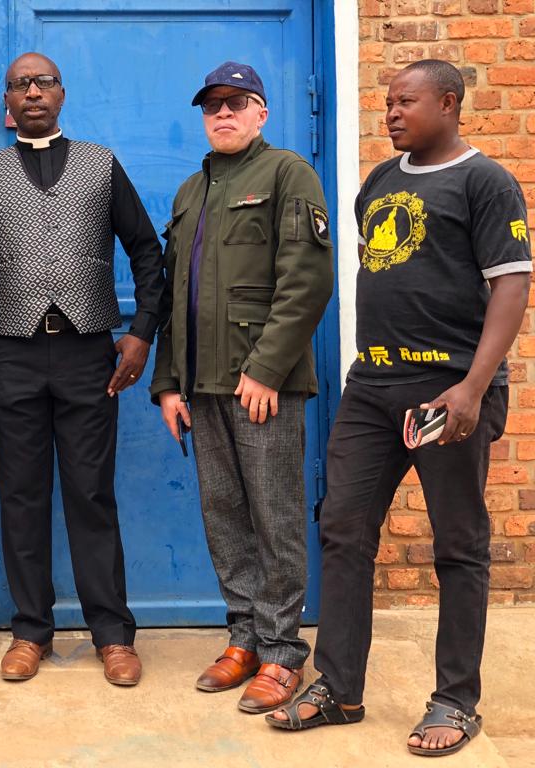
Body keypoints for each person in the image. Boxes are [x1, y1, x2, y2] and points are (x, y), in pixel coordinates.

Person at [267, 60, 530, 758]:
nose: (390, 113)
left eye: (405, 102)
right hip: (371, 388)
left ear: (449, 103)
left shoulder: (486, 182)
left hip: (447, 390)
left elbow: (510, 289)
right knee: (344, 528)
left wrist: (473, 387)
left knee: (458, 545)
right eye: (386, 103)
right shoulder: (379, 185)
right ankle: (338, 687)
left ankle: (455, 699)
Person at [0, 52, 165, 686]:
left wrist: (141, 336)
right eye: (20, 85)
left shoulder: (100, 166)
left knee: (91, 494)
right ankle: (30, 630)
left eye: (43, 83)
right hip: (13, 355)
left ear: (62, 94)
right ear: (8, 104)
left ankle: (113, 635)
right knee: (21, 496)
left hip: (86, 353)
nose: (33, 92)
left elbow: (148, 252)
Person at [150, 61, 333, 713]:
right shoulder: (189, 192)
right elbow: (176, 297)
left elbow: (307, 280)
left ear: (262, 113)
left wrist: (268, 368)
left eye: (238, 102)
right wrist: (168, 383)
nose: (223, 113)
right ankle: (245, 637)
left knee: (275, 515)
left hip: (263, 386)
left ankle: (284, 651)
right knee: (224, 514)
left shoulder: (287, 174)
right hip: (201, 387)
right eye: (212, 105)